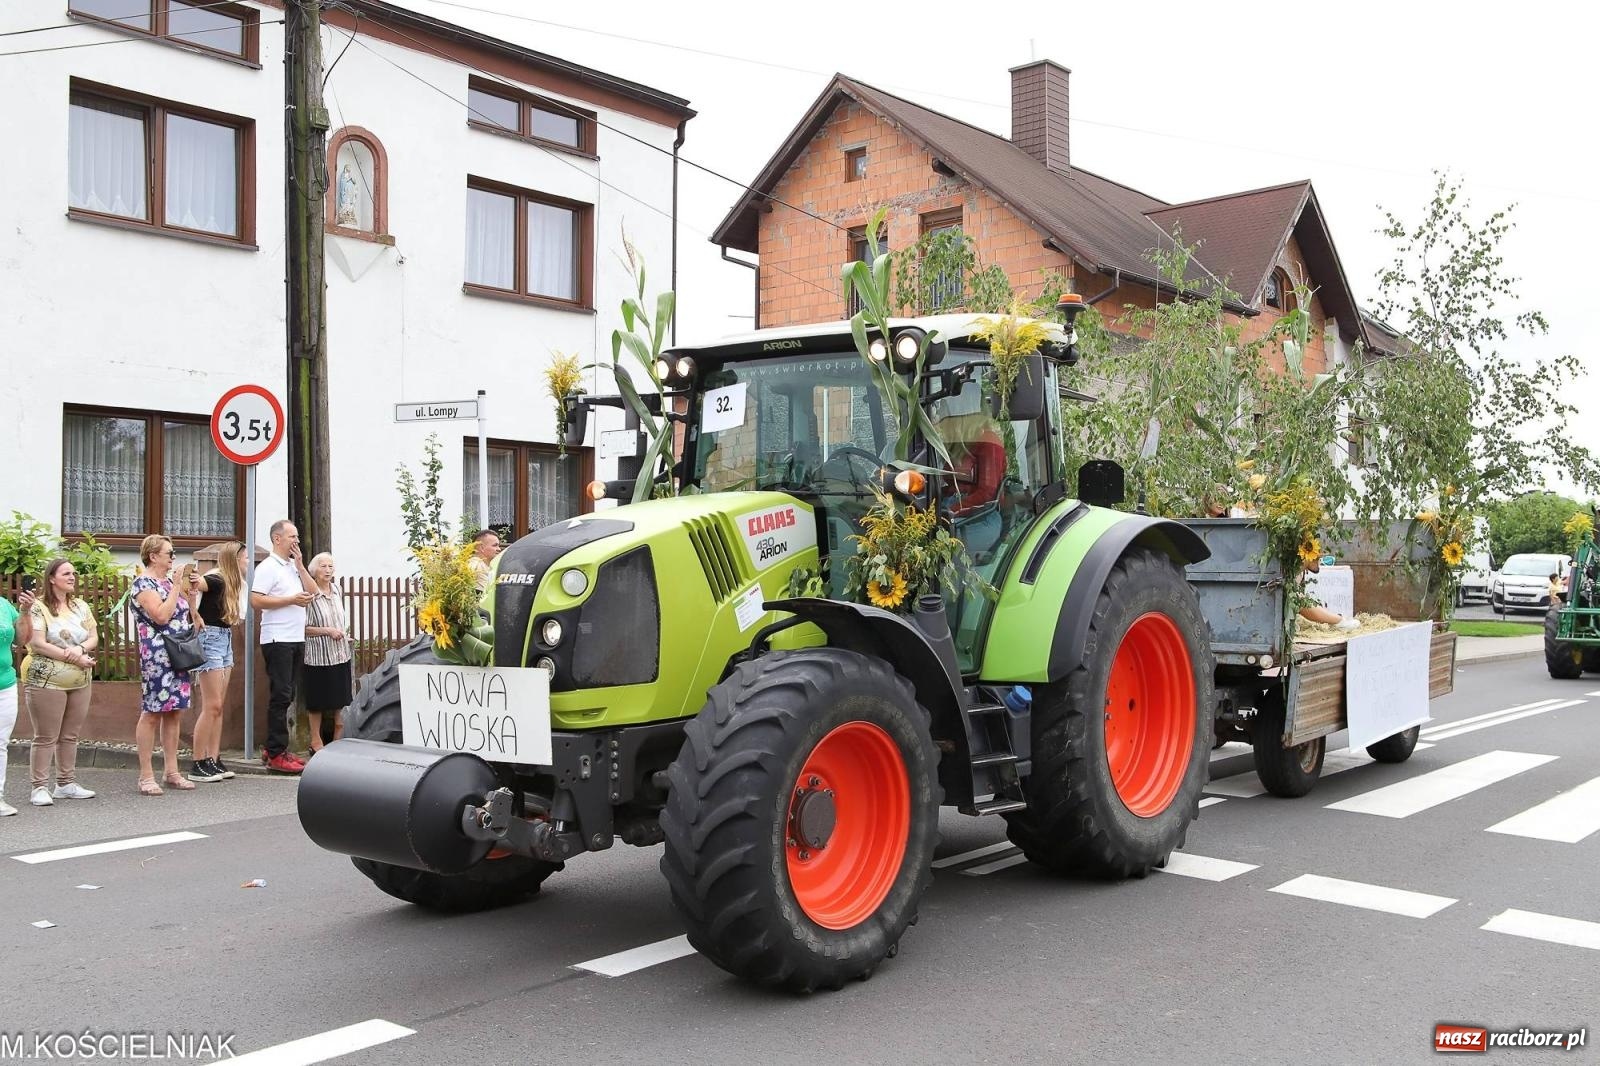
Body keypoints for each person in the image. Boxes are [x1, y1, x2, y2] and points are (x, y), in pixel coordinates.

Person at [22, 558, 99, 806]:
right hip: (46, 680)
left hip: (80, 679)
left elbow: (93, 637)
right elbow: (37, 643)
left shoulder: (80, 606)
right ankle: (39, 787)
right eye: (66, 573)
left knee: (70, 735)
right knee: (46, 735)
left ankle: (65, 783)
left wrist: (79, 649)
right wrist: (74, 656)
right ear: (52, 578)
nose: (72, 577)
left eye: (74, 573)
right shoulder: (38, 607)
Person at [130, 535, 202, 796]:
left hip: (178, 653)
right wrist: (174, 587)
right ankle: (146, 775)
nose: (173, 558)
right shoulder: (143, 583)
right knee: (152, 711)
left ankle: (172, 771)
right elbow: (160, 616)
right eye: (169, 553)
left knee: (174, 711)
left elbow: (188, 617)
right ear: (153, 556)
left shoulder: (167, 582)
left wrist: (190, 596)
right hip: (157, 655)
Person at [250, 520, 315, 774]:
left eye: (297, 537)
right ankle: (276, 752)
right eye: (292, 537)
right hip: (278, 639)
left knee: (287, 694)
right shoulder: (268, 566)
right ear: (277, 539)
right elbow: (256, 600)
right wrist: (290, 599)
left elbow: (312, 592)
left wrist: (300, 566)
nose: (296, 541)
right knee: (280, 694)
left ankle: (274, 747)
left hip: (295, 636)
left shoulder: (290, 566)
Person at [188, 541, 247, 783]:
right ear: (234, 559)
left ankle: (213, 757)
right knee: (211, 705)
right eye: (245, 558)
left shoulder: (234, 583)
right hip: (210, 637)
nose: (248, 563)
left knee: (218, 705)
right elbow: (194, 584)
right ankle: (198, 761)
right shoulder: (217, 579)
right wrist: (194, 613)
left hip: (224, 637)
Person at [303, 553, 354, 755]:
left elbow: (339, 619)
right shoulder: (310, 594)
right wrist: (327, 631)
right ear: (314, 571)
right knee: (317, 701)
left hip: (340, 653)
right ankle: (316, 742)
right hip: (317, 656)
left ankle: (337, 742)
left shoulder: (337, 590)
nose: (327, 570)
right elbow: (302, 628)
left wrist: (343, 634)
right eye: (323, 566)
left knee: (341, 699)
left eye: (330, 566)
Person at [1, 586, 38, 817]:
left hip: (4, 683)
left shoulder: (4, 606)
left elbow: (23, 639)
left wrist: (25, 611)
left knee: (0, 742)